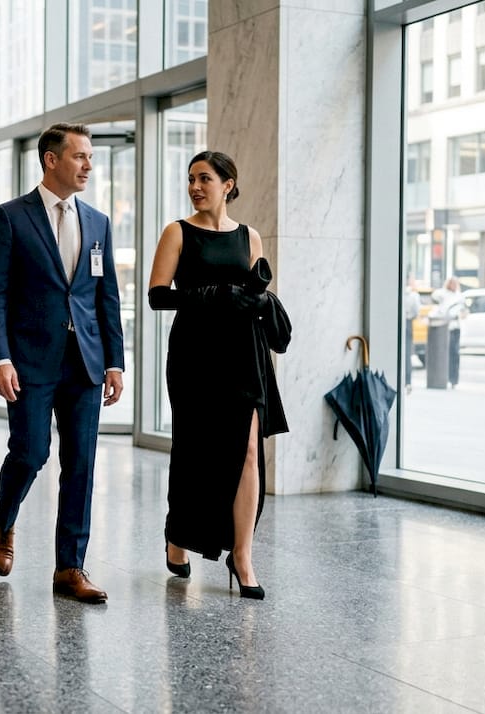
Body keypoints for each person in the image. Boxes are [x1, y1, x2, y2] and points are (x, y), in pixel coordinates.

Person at [0, 123, 125, 604]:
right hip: (29, 361)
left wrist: (115, 362)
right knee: (31, 451)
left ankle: (70, 568)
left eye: (89, 157)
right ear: (50, 160)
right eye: (79, 156)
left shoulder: (99, 222)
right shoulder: (11, 218)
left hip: (84, 361)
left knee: (81, 463)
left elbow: (105, 296)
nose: (87, 165)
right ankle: (4, 516)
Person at [146, 150, 289, 600]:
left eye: (204, 178)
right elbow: (157, 297)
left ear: (228, 184)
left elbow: (255, 292)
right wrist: (210, 294)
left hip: (243, 354)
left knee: (249, 452)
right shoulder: (178, 232)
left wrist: (256, 300)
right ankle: (178, 535)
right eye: (191, 179)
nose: (195, 186)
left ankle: (242, 554)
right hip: (193, 356)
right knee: (193, 452)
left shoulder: (250, 237)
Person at [432, 277, 465, 387]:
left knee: (455, 353)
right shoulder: (443, 294)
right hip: (446, 326)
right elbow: (435, 296)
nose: (453, 286)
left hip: (455, 326)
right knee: (446, 353)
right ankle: (446, 377)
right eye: (451, 283)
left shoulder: (459, 296)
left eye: (455, 284)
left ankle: (454, 379)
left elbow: (463, 311)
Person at [403, 278, 421, 392]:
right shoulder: (413, 295)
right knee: (407, 353)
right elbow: (416, 311)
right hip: (408, 322)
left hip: (398, 322)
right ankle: (407, 382)